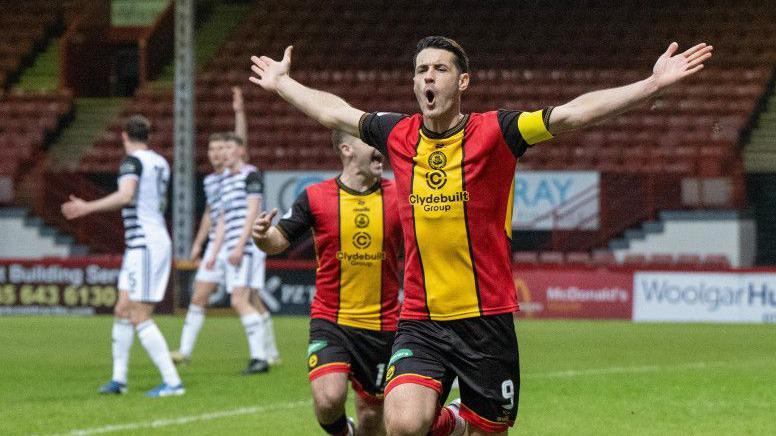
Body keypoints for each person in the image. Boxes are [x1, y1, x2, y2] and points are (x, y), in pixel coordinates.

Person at [249, 36, 712, 435]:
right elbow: (338, 112)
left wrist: (651, 85)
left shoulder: (499, 131)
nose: (428, 78)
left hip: (485, 320)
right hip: (421, 318)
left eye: (440, 70)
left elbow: (572, 116)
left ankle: (462, 420)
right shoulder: (397, 134)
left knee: (490, 429)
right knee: (403, 423)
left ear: (462, 82)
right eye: (421, 71)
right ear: (414, 84)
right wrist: (282, 83)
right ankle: (453, 418)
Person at [252, 130, 412, 436]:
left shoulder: (400, 195)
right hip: (331, 319)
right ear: (347, 149)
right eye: (371, 142)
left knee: (370, 416)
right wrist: (261, 236)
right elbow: (278, 240)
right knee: (328, 399)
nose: (381, 147)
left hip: (383, 325)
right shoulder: (316, 197)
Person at [62, 115, 184, 397]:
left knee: (139, 314)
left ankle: (173, 382)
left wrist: (87, 207)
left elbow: (126, 195)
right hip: (144, 241)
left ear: (124, 136)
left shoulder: (132, 162)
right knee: (122, 308)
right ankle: (119, 379)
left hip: (144, 243)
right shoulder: (160, 161)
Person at [170, 87, 281, 366]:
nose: (220, 153)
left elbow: (240, 144)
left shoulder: (246, 174)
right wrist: (202, 247)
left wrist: (239, 112)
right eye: (215, 149)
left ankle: (265, 355)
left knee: (247, 299)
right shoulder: (214, 181)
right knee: (202, 294)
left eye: (224, 148)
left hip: (242, 244)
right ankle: (184, 352)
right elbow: (214, 216)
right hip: (222, 244)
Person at [206, 131, 277, 374]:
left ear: (240, 151)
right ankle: (268, 353)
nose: (222, 153)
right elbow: (224, 219)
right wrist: (215, 251)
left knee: (239, 300)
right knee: (252, 300)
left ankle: (259, 359)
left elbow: (252, 212)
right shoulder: (226, 180)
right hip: (232, 249)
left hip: (246, 248)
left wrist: (239, 245)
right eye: (220, 149)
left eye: (227, 148)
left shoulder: (251, 175)